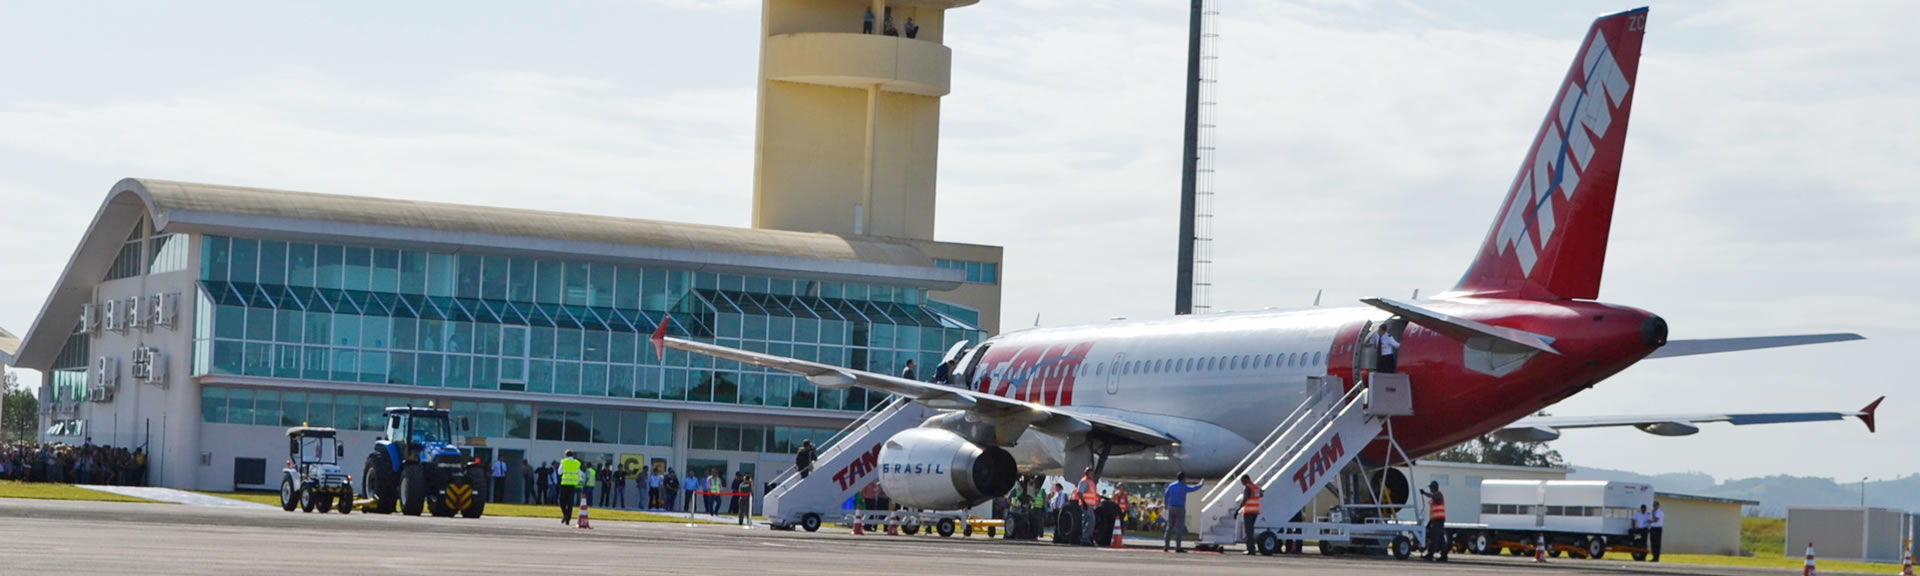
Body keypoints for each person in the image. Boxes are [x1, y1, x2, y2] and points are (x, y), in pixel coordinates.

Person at [1163, 473, 1203, 553]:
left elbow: (1166, 495)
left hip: (1171, 507)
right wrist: (1201, 484)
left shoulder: (1171, 485)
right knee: (1179, 528)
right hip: (1180, 508)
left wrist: (1166, 505)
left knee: (1169, 527)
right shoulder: (1183, 486)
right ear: (1183, 478)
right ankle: (1178, 547)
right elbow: (1193, 488)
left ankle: (1166, 546)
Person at [1234, 474, 1262, 555]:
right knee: (1251, 531)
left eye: (1242, 482)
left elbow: (1245, 499)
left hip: (1249, 512)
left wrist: (1238, 510)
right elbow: (1261, 495)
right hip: (1255, 512)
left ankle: (1251, 550)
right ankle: (1251, 548)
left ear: (1245, 480)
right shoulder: (1256, 487)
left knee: (1248, 531)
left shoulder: (1248, 487)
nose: (1243, 484)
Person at [1419, 480, 1448, 561]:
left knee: (1434, 537)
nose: (1430, 489)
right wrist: (1429, 523)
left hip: (1439, 520)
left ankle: (1430, 555)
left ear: (1434, 488)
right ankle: (1444, 556)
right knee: (1440, 538)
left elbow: (1435, 497)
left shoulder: (1438, 494)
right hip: (1436, 520)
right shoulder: (1435, 496)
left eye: (1431, 487)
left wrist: (1424, 493)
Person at [557, 450, 583, 525]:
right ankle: (568, 519)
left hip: (564, 484)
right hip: (572, 485)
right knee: (570, 502)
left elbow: (559, 472)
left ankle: (565, 514)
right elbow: (580, 473)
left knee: (562, 501)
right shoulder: (576, 463)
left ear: (566, 455)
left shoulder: (564, 462)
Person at [1077, 469, 1100, 546]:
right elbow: (1080, 493)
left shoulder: (1091, 482)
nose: (1092, 475)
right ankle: (1085, 538)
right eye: (1091, 473)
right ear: (1087, 474)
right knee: (1091, 520)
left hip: (1090, 505)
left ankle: (1086, 537)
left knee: (1086, 521)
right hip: (1086, 505)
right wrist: (1084, 503)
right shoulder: (1084, 481)